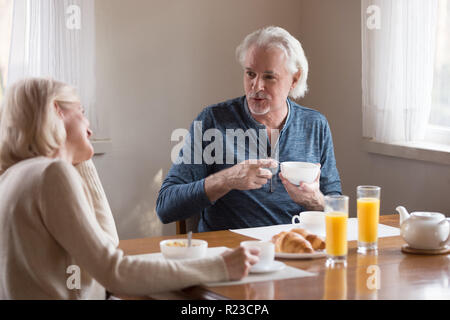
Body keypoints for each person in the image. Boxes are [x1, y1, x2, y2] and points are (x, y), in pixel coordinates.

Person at [0, 78, 259, 299]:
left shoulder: (15, 175)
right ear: (57, 112)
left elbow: (108, 247)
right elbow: (115, 272)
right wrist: (220, 266)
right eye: (82, 111)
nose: (89, 127)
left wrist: (80, 157)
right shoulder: (52, 174)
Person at [157, 26, 342, 232]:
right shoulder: (214, 121)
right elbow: (166, 207)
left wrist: (314, 200)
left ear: (295, 79)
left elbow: (337, 210)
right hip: (231, 254)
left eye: (269, 77)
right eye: (250, 74)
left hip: (294, 250)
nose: (256, 86)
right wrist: (227, 179)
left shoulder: (315, 125)